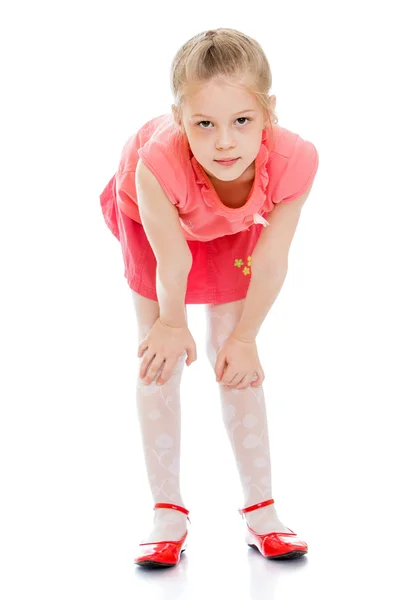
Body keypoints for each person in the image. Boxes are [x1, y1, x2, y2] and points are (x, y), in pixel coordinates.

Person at [99, 27, 319, 568]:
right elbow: (171, 260)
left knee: (236, 360)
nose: (225, 142)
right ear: (180, 119)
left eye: (242, 121)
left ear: (269, 111)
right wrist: (171, 324)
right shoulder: (157, 161)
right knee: (159, 357)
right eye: (204, 124)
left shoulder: (294, 160)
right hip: (158, 223)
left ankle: (261, 510)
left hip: (230, 228)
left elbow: (272, 258)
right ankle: (167, 513)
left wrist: (245, 337)